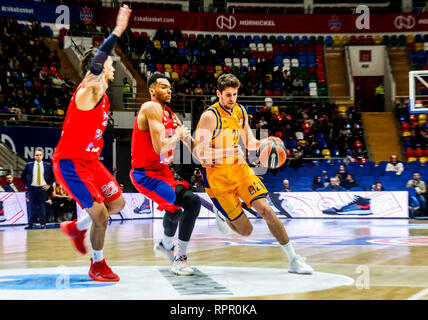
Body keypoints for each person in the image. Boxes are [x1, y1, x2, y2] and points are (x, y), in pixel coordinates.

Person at [195, 73, 313, 274]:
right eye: (228, 95)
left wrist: (268, 143)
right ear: (218, 94)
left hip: (240, 170)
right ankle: (222, 213)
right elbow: (200, 154)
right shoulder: (209, 117)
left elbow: (249, 142)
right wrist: (228, 151)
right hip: (217, 178)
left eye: (235, 94)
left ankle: (294, 259)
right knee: (246, 230)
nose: (232, 99)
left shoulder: (240, 111)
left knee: (266, 210)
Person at [51, 5, 131, 282]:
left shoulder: (106, 97)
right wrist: (118, 31)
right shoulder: (90, 88)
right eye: (110, 61)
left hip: (91, 163)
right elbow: (98, 62)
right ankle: (97, 264)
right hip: (71, 164)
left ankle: (76, 228)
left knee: (118, 203)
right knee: (101, 215)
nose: (113, 64)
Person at [130, 73, 201, 276]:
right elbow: (160, 147)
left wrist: (207, 155)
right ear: (152, 90)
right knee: (180, 202)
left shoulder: (169, 112)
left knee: (186, 206)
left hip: (162, 170)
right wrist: (179, 135)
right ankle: (174, 253)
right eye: (163, 87)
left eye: (170, 87)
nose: (169, 90)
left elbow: (189, 143)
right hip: (145, 174)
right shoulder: (151, 107)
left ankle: (170, 248)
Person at [21, 150, 54, 229]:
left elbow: (53, 176)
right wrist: (25, 185)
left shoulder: (48, 165)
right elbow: (23, 175)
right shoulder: (29, 165)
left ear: (42, 156)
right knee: (32, 206)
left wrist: (49, 185)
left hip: (42, 188)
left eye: (40, 155)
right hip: (32, 188)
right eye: (36, 155)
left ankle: (42, 224)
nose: (38, 156)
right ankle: (30, 224)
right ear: (34, 156)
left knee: (42, 206)